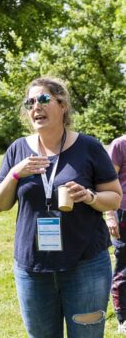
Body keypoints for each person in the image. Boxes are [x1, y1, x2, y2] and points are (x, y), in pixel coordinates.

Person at [0, 76, 122, 337]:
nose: (35, 107)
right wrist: (16, 174)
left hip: (85, 265)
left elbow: (115, 197)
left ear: (62, 104)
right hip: (33, 268)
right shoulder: (18, 149)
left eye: (42, 99)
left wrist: (89, 196)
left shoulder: (89, 147)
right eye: (29, 102)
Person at [106, 134, 126, 333]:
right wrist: (110, 214)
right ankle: (123, 318)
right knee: (123, 268)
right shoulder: (120, 145)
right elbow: (106, 181)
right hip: (123, 213)